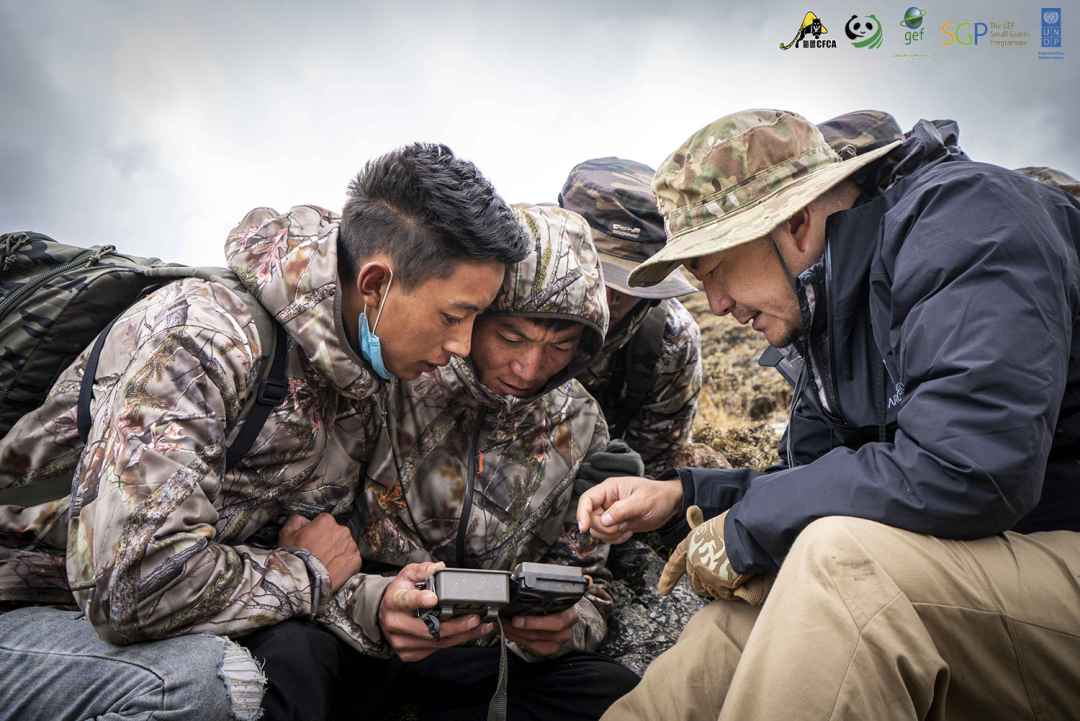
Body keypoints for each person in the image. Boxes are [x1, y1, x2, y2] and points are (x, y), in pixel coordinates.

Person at [577, 108, 1080, 719]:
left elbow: (969, 468)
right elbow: (829, 481)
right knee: (735, 622)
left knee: (840, 564)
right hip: (990, 565)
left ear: (794, 223)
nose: (715, 304)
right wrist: (687, 494)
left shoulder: (968, 221)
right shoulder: (824, 311)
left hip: (1053, 550)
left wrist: (745, 528)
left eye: (713, 269)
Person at [0, 142, 529, 720]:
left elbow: (281, 555)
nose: (460, 346)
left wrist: (382, 604)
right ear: (375, 284)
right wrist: (309, 573)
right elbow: (132, 586)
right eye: (453, 317)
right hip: (23, 603)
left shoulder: (360, 380)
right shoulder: (206, 338)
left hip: (105, 623)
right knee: (210, 685)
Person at [246, 203, 639, 721]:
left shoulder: (584, 422)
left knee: (610, 691)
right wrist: (381, 603)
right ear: (472, 315)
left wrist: (573, 624)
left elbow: (588, 582)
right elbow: (300, 538)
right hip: (357, 629)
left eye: (561, 346)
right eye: (511, 337)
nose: (529, 367)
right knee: (291, 657)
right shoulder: (387, 376)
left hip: (478, 651)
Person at [558, 158, 703, 477]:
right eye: (593, 274)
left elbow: (653, 467)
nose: (607, 299)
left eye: (628, 283)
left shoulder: (672, 340)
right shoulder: (499, 295)